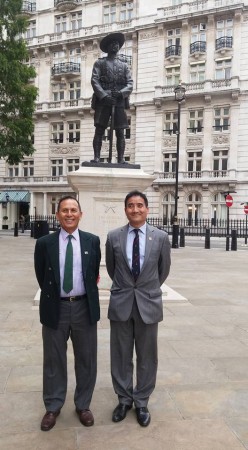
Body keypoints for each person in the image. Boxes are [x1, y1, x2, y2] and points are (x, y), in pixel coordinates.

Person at [34, 196, 101, 431]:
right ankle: (53, 406)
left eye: (73, 210)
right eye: (64, 210)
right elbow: (42, 276)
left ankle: (83, 405)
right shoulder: (44, 243)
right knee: (54, 359)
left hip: (84, 307)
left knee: (86, 358)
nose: (69, 214)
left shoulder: (93, 242)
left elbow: (93, 274)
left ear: (80, 214)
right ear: (58, 215)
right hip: (56, 307)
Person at [105, 190, 171, 427]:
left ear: (147, 209)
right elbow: (112, 270)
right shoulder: (113, 237)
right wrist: (127, 288)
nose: (135, 209)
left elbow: (162, 271)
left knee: (147, 356)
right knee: (120, 355)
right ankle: (124, 400)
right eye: (131, 205)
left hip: (148, 304)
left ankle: (141, 401)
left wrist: (146, 289)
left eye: (140, 205)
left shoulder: (161, 237)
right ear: (125, 210)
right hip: (121, 303)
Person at [91, 32, 133, 163]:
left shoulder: (124, 65)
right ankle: (97, 157)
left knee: (120, 131)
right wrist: (104, 96)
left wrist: (121, 93)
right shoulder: (99, 63)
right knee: (100, 129)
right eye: (112, 44)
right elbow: (94, 80)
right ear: (107, 47)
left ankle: (120, 159)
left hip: (119, 100)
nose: (115, 46)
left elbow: (130, 84)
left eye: (117, 44)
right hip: (103, 101)